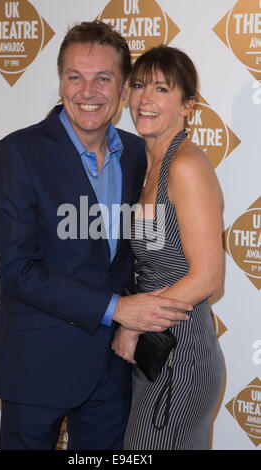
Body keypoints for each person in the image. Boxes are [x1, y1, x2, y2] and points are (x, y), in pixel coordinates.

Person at [0, 22, 192, 450]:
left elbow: (133, 252)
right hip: (36, 362)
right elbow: (19, 271)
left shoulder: (138, 153)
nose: (87, 91)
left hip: (110, 368)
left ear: (123, 90)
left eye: (103, 78)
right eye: (75, 76)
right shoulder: (17, 153)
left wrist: (132, 321)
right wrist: (119, 309)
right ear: (60, 83)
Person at [112, 45, 224, 450]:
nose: (145, 99)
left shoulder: (185, 166)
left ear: (188, 105)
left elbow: (207, 276)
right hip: (153, 351)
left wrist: (132, 323)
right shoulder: (144, 164)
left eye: (162, 89)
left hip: (180, 353)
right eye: (140, 85)